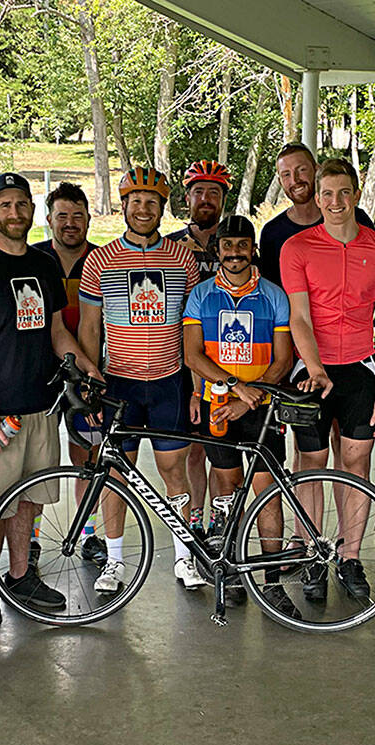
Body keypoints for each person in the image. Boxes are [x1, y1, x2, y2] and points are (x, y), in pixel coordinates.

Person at [0, 173, 101, 628]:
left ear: (31, 211)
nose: (15, 213)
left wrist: (85, 367)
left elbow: (57, 331)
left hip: (41, 409)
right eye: (6, 205)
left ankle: (20, 576)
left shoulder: (43, 266)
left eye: (22, 205)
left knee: (31, 500)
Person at [280, 157, 375, 601]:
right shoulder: (297, 248)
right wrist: (313, 368)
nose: (335, 202)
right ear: (317, 196)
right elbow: (299, 316)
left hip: (361, 369)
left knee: (356, 465)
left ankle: (349, 558)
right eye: (326, 193)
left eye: (343, 192)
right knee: (310, 465)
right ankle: (313, 554)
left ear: (356, 194)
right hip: (311, 370)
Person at [78, 167, 203, 594]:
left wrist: (198, 385)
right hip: (120, 384)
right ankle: (114, 562)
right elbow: (91, 330)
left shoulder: (183, 258)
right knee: (117, 474)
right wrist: (90, 378)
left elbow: (196, 325)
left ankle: (185, 559)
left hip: (169, 381)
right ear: (124, 206)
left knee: (174, 473)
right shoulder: (101, 259)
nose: (143, 209)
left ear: (163, 208)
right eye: (136, 201)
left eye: (152, 202)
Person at [181, 215, 295, 615]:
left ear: (253, 249)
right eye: (227, 245)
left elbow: (283, 361)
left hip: (261, 408)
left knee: (266, 494)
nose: (234, 253)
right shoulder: (199, 296)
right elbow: (192, 354)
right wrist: (231, 387)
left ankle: (272, 581)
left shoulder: (274, 296)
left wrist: (249, 397)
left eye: (241, 245)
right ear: (218, 250)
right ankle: (230, 569)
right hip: (219, 406)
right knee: (226, 490)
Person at [31, 182, 105, 564]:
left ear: (89, 219)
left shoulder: (102, 259)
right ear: (49, 220)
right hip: (40, 376)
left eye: (78, 216)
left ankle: (89, 532)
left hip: (88, 375)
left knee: (87, 458)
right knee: (39, 462)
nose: (70, 224)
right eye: (63, 216)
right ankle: (31, 536)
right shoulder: (33, 259)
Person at [166, 160, 234, 537]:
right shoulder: (173, 246)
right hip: (184, 358)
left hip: (231, 359)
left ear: (223, 199)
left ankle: (220, 518)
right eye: (198, 192)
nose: (205, 199)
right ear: (186, 198)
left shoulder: (239, 244)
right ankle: (194, 514)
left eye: (214, 193)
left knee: (221, 444)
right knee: (194, 444)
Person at [258, 143, 374, 286]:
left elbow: (373, 276)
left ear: (317, 170)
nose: (295, 179)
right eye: (286, 174)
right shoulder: (272, 233)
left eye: (301, 170)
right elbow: (271, 293)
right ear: (280, 181)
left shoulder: (354, 218)